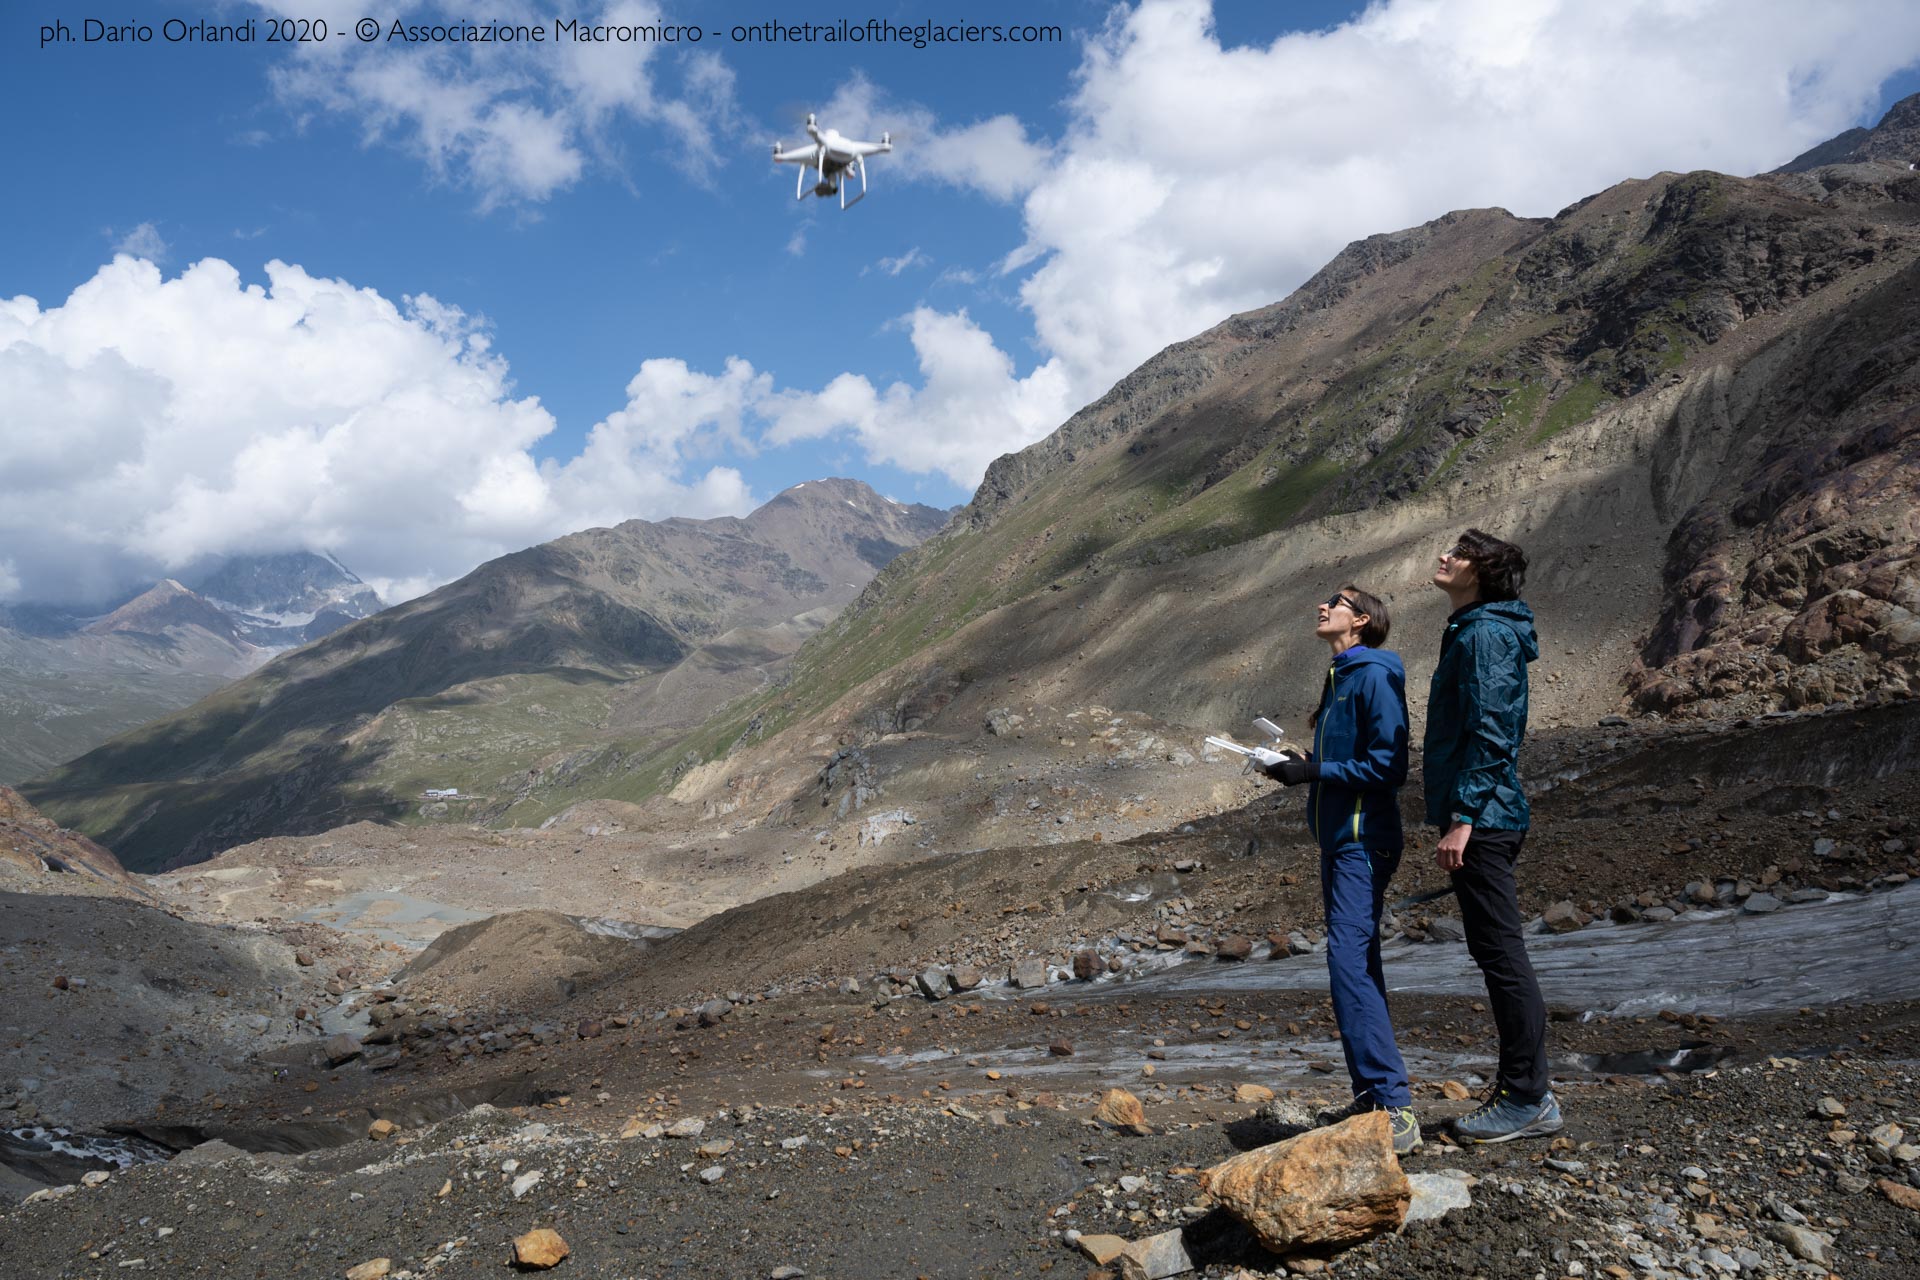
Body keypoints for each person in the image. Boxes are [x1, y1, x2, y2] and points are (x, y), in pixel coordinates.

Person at [1256, 584, 1419, 1155]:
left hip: (1363, 841)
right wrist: (1301, 765)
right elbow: (1345, 762)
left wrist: (1316, 771)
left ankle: (1394, 1105)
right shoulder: (1339, 676)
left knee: (1348, 962)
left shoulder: (1374, 675)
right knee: (1355, 960)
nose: (1322, 607)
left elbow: (1388, 765)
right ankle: (1374, 1095)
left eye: (1336, 601)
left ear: (1363, 619)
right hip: (1339, 841)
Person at [1423, 528, 1561, 1143]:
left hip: (1487, 819)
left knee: (1504, 959)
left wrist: (1464, 817)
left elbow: (1494, 729)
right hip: (1487, 816)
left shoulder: (1483, 635)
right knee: (1497, 954)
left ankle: (1528, 1097)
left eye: (1460, 553)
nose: (1445, 557)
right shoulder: (1476, 630)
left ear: (1479, 571)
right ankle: (1526, 1091)